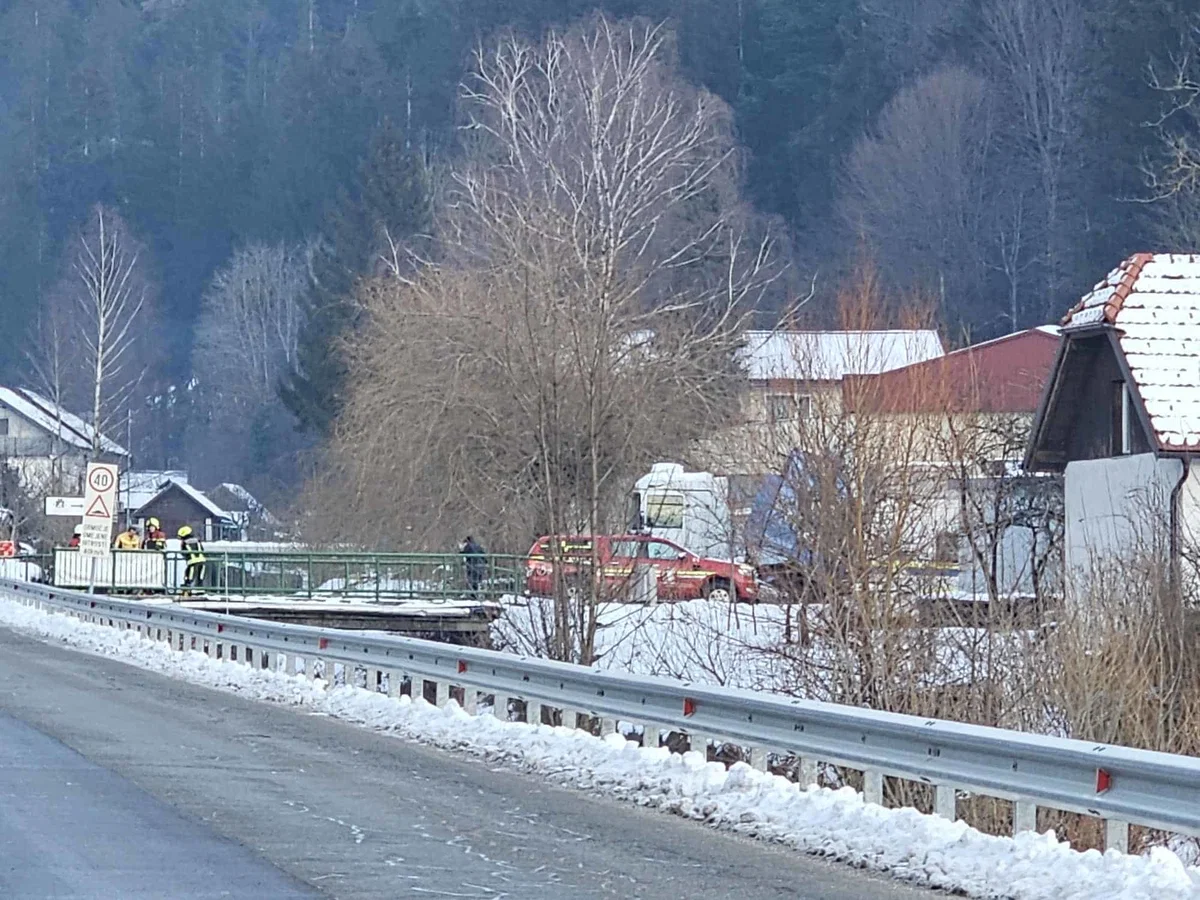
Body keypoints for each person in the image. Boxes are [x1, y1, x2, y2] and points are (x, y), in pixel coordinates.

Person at [178, 525, 206, 595]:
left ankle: (187, 589)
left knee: (189, 576)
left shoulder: (185, 542)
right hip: (202, 561)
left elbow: (183, 552)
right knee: (200, 577)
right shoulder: (197, 540)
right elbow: (202, 549)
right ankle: (200, 590)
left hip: (192, 562)